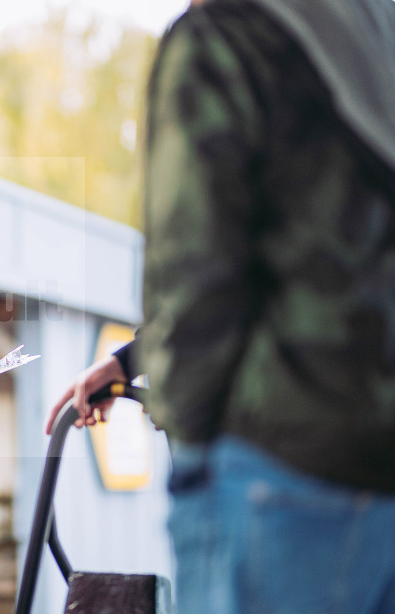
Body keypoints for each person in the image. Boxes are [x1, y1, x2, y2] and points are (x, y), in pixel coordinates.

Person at [145, 0, 395, 611]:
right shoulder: (373, 31)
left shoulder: (227, 38)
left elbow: (195, 269)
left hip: (285, 461)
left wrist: (190, 435)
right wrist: (131, 361)